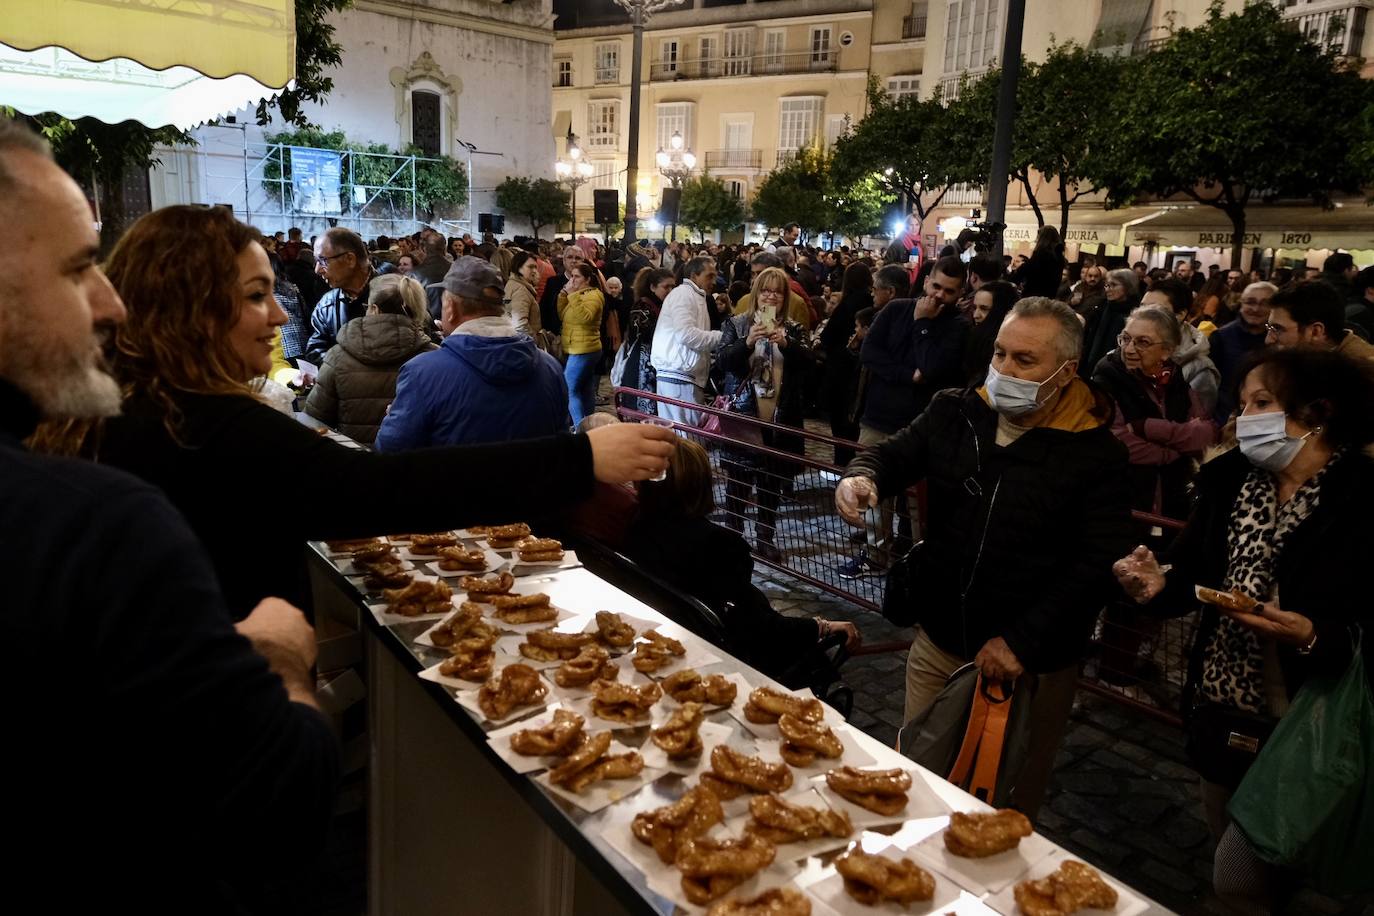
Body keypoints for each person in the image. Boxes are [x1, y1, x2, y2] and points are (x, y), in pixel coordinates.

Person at [0, 118, 339, 910]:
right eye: (79, 267)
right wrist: (283, 663)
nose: (110, 303)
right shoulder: (102, 520)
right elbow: (278, 809)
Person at [38, 205, 674, 621]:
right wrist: (581, 456)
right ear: (193, 308)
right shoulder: (206, 424)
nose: (283, 314)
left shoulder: (118, 405)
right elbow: (387, 487)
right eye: (257, 296)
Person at [838, 297, 1133, 819]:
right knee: (918, 777)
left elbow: (1094, 563)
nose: (1003, 369)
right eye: (999, 353)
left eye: (1025, 361)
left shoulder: (1097, 454)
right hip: (941, 639)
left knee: (1000, 805)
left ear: (1065, 373)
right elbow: (894, 453)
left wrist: (1021, 640)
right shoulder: (956, 409)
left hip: (1029, 666)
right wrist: (863, 477)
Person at [1113, 348, 1374, 911]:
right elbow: (1194, 573)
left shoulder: (1362, 497)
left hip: (1317, 714)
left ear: (1318, 412)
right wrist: (1155, 584)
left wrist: (1313, 636)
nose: (1244, 419)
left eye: (1262, 403)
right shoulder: (1230, 479)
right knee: (1232, 845)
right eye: (1241, 404)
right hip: (1225, 702)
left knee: (1257, 869)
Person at [626, 437, 860, 681]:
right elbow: (756, 627)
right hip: (734, 652)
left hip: (686, 629)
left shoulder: (638, 525)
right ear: (700, 483)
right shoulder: (717, 545)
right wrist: (822, 626)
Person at [842, 256, 970, 577]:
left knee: (918, 503)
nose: (940, 295)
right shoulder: (896, 309)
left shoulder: (957, 326)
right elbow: (870, 353)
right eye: (936, 286)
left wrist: (923, 323)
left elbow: (930, 368)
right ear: (926, 281)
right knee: (871, 492)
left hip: (922, 425)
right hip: (878, 418)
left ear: (960, 293)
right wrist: (906, 375)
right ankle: (875, 555)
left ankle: (919, 563)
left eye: (949, 291)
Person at [375, 257, 568, 450]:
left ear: (450, 308)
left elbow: (390, 451)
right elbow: (561, 446)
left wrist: (396, 418)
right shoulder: (550, 368)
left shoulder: (422, 373)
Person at [715, 267, 815, 563]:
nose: (771, 295)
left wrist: (786, 344)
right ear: (756, 293)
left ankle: (765, 536)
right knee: (738, 479)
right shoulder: (737, 323)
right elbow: (722, 363)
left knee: (770, 481)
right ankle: (732, 536)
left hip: (780, 416)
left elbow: (809, 365)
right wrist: (746, 343)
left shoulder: (794, 329)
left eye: (778, 291)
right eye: (766, 290)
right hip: (745, 413)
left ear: (785, 297)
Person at [304, 274, 437, 444]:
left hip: (354, 462)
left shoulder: (338, 356)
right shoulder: (433, 356)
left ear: (374, 309)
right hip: (413, 463)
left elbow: (314, 420)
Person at [650, 255, 722, 426]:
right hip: (679, 377)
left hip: (682, 375)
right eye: (709, 276)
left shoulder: (693, 295)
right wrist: (721, 336)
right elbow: (686, 334)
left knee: (681, 437)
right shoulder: (683, 294)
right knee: (686, 439)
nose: (714, 281)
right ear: (694, 276)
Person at [1142, 277, 1221, 417]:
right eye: (1142, 307)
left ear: (1180, 315)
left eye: (1154, 310)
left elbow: (1197, 427)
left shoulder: (1200, 370)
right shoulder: (1127, 348)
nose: (1142, 315)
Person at [819, 262, 873, 463]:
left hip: (841, 370)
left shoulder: (847, 303)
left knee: (841, 425)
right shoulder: (871, 303)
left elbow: (828, 337)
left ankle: (841, 466)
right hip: (860, 372)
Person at [304, 227, 377, 368]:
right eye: (316, 261)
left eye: (323, 260)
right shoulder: (326, 305)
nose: (317, 270)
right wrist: (343, 368)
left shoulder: (394, 293)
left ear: (350, 259)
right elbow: (315, 350)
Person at [1209, 282, 1274, 424]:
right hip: (1225, 418)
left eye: (1264, 303)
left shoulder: (1279, 339)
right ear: (1241, 305)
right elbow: (1211, 385)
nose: (1256, 309)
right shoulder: (1221, 337)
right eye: (1250, 302)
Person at [1265, 280, 1374, 361]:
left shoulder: (1363, 373)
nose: (1268, 340)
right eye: (1269, 328)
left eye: (1277, 329)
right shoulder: (1311, 359)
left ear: (1315, 332)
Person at [616, 267, 674, 416]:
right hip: (641, 365)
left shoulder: (662, 305)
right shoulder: (642, 306)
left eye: (672, 287)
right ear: (653, 287)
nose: (670, 290)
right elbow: (645, 334)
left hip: (653, 363)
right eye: (666, 287)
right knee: (641, 408)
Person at [556, 261, 605, 429]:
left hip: (584, 349)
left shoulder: (594, 295)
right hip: (577, 347)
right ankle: (589, 424)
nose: (573, 280)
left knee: (569, 389)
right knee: (585, 388)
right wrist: (563, 295)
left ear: (588, 279)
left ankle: (579, 428)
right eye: (572, 276)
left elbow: (585, 318)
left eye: (577, 277)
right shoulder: (577, 294)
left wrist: (572, 296)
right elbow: (563, 315)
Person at [1080, 268, 1140, 378]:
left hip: (1116, 372)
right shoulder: (1103, 306)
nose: (1108, 289)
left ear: (1128, 287)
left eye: (1113, 285)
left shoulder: (1135, 314)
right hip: (1090, 365)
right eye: (1107, 285)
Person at [962, 279, 1019, 386]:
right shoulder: (972, 335)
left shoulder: (1004, 348)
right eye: (975, 308)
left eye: (984, 309)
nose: (975, 315)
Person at [539, 243, 584, 336]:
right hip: (557, 336)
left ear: (583, 261)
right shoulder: (552, 282)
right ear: (564, 260)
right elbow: (544, 309)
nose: (574, 261)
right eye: (570, 257)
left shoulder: (588, 283)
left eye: (578, 258)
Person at [504, 250, 543, 343]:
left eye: (535, 267)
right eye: (530, 267)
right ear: (518, 268)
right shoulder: (520, 290)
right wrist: (533, 342)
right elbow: (520, 324)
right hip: (524, 345)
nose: (534, 271)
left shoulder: (514, 284)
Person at [1015, 225, 1065, 298]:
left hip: (1033, 295)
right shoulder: (1059, 257)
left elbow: (1025, 270)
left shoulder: (1041, 255)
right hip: (1050, 296)